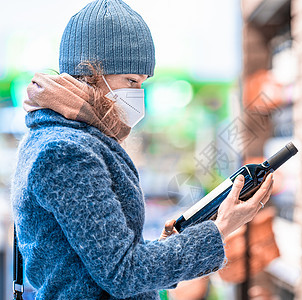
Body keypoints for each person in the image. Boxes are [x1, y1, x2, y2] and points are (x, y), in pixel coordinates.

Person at [11, 0, 274, 299]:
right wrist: (220, 229)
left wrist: (166, 247)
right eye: (131, 81)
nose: (138, 95)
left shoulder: (66, 137)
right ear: (89, 72)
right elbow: (123, 273)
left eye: (143, 83)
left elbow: (101, 262)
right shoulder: (66, 151)